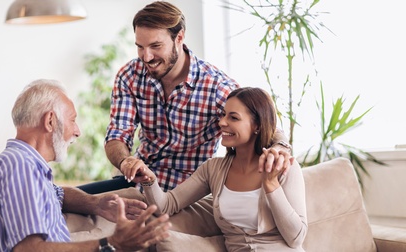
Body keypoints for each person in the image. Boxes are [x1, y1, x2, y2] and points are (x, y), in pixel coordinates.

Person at [78, 1, 292, 194]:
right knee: (68, 201)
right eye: (140, 47)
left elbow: (262, 123)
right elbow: (117, 133)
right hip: (139, 184)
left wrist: (280, 149)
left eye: (155, 46)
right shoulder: (130, 75)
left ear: (179, 38)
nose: (146, 57)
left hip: (189, 194)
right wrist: (125, 161)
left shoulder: (215, 86)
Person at [0, 79, 171, 252]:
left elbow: (58, 195)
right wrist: (112, 244)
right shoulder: (18, 166)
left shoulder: (27, 167)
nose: (78, 131)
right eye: (72, 120)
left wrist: (96, 205)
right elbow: (29, 249)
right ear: (50, 121)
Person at [125, 87, 307, 251]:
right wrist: (149, 179)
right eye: (223, 115)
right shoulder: (213, 169)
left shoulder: (285, 168)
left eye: (233, 117)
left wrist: (271, 184)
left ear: (257, 125)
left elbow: (296, 238)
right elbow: (166, 205)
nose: (222, 122)